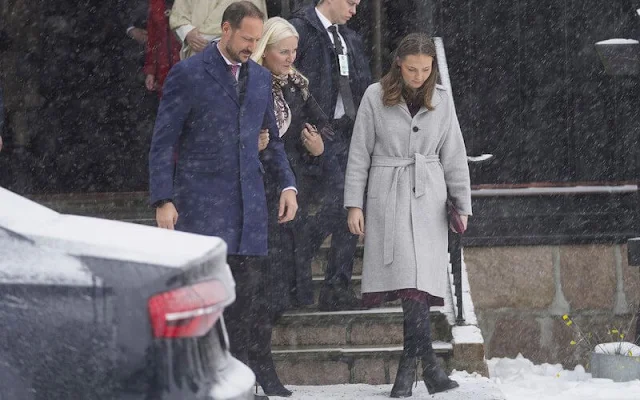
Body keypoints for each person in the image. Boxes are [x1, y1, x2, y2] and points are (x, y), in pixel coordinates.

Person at [148, 3, 298, 399]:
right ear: (225, 30)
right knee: (205, 305)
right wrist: (163, 198)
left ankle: (242, 383)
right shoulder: (189, 74)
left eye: (257, 39)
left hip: (249, 210)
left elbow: (272, 142)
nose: (253, 45)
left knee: (248, 304)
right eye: (247, 38)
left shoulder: (262, 78)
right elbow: (164, 142)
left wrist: (287, 186)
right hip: (200, 207)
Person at [343, 33, 471, 397]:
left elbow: (454, 153)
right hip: (389, 194)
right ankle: (425, 367)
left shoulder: (442, 100)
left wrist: (462, 203)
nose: (418, 75)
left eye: (425, 69)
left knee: (418, 284)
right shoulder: (374, 96)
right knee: (408, 281)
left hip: (429, 196)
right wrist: (355, 203)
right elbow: (359, 153)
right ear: (399, 63)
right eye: (412, 68)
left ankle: (413, 367)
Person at [248, 16, 334, 397]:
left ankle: (257, 360)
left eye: (293, 51)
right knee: (260, 286)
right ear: (264, 50)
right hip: (255, 194)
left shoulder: (298, 87)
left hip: (289, 192)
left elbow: (324, 126)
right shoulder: (248, 83)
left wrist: (319, 148)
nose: (290, 57)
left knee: (281, 288)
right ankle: (257, 363)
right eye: (283, 51)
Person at [289, 0, 372, 311]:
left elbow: (363, 86)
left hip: (346, 131)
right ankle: (300, 263)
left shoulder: (349, 38)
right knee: (337, 202)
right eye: (350, 2)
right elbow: (293, 86)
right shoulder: (299, 30)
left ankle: (337, 285)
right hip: (311, 135)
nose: (355, 8)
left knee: (350, 204)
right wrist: (305, 129)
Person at [170, 0, 268, 59]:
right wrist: (188, 33)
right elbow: (179, 16)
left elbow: (257, 25)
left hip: (234, 54)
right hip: (196, 51)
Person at [144, 0, 181, 96]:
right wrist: (151, 71)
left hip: (188, 66)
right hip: (164, 71)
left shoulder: (192, 4)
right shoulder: (155, 4)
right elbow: (152, 40)